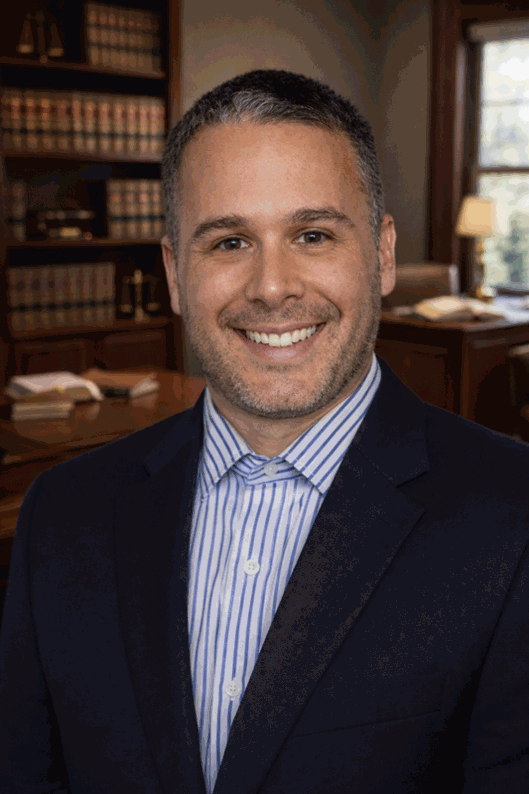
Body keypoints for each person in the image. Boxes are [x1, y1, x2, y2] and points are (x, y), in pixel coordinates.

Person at [0, 69, 528, 794]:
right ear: (175, 274)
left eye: (312, 234)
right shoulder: (61, 514)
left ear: (379, 256)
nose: (272, 287)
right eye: (227, 242)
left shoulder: (513, 515)